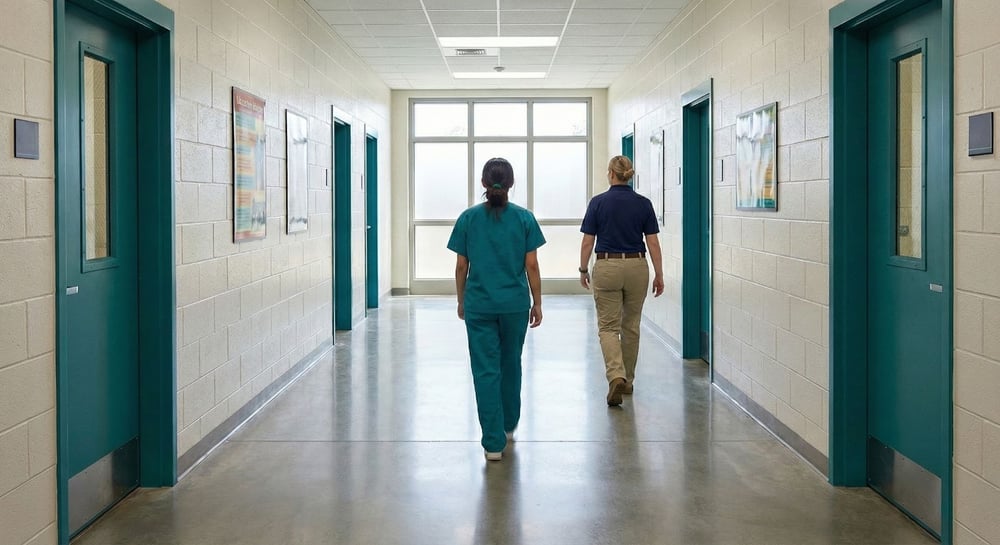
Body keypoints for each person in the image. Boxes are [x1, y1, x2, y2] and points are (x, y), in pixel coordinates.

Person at [448, 157, 545, 462]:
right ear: (511, 183)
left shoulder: (468, 218)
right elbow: (531, 265)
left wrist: (462, 300)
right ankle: (507, 426)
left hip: (480, 305)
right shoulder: (525, 218)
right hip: (514, 304)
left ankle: (492, 444)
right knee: (510, 363)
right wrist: (538, 302)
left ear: (483, 184)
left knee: (485, 369)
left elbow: (461, 266)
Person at [579, 155, 664, 407]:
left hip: (607, 265)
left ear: (611, 174)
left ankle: (616, 375)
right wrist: (659, 273)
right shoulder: (643, 204)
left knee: (608, 327)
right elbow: (653, 242)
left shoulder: (598, 202)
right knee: (631, 326)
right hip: (637, 265)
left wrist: (583, 269)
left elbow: (587, 241)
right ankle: (626, 380)